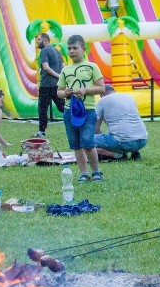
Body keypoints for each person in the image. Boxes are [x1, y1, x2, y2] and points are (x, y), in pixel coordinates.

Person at [58, 34, 106, 181]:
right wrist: (64, 93)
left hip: (88, 111)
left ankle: (96, 172)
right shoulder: (65, 70)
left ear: (83, 49)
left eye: (75, 48)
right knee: (76, 144)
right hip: (69, 111)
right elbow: (59, 91)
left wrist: (85, 90)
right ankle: (84, 173)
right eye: (69, 49)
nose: (72, 51)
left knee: (88, 143)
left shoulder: (92, 67)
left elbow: (101, 88)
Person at [94, 85, 148, 160]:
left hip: (122, 142)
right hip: (143, 140)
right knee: (129, 128)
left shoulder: (103, 101)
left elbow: (95, 129)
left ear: (102, 94)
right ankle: (135, 153)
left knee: (85, 141)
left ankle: (117, 155)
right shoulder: (129, 98)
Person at [36, 32, 65, 136]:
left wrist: (57, 76)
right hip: (56, 85)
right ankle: (76, 123)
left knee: (43, 108)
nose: (37, 42)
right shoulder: (57, 51)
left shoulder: (44, 51)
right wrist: (61, 77)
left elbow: (46, 67)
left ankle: (41, 131)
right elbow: (63, 65)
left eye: (39, 40)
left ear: (45, 41)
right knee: (62, 106)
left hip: (46, 85)